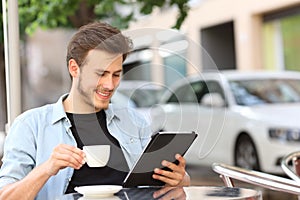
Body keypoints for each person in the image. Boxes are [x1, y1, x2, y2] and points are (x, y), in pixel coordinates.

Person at [0, 21, 190, 199]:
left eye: (116, 74)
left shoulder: (133, 121)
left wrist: (179, 178)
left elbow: (172, 186)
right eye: (101, 74)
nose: (109, 84)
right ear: (74, 68)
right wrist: (47, 168)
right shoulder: (31, 125)